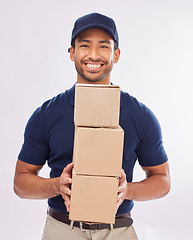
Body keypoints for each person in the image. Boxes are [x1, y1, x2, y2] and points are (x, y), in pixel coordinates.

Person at [13, 12, 170, 240]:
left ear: (116, 55)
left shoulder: (140, 115)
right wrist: (58, 185)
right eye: (84, 45)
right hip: (62, 229)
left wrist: (127, 191)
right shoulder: (47, 115)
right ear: (72, 52)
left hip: (118, 230)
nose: (93, 55)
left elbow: (162, 180)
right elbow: (20, 182)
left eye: (103, 47)